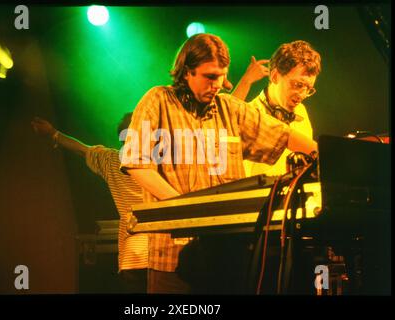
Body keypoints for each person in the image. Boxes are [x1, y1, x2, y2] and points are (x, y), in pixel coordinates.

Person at [120, 33, 318, 294]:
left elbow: (282, 134)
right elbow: (136, 163)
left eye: (222, 76)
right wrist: (187, 209)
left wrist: (321, 152)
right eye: (210, 76)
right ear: (186, 71)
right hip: (173, 256)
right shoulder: (157, 101)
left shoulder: (231, 109)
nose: (218, 84)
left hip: (225, 256)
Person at [31, 114, 148, 294]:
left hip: (131, 256)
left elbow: (81, 149)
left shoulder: (111, 160)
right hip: (159, 256)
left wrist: (52, 133)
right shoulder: (160, 164)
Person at [232, 40, 321, 177]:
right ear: (274, 76)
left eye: (308, 89)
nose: (302, 95)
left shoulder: (301, 111)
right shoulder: (249, 114)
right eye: (297, 85)